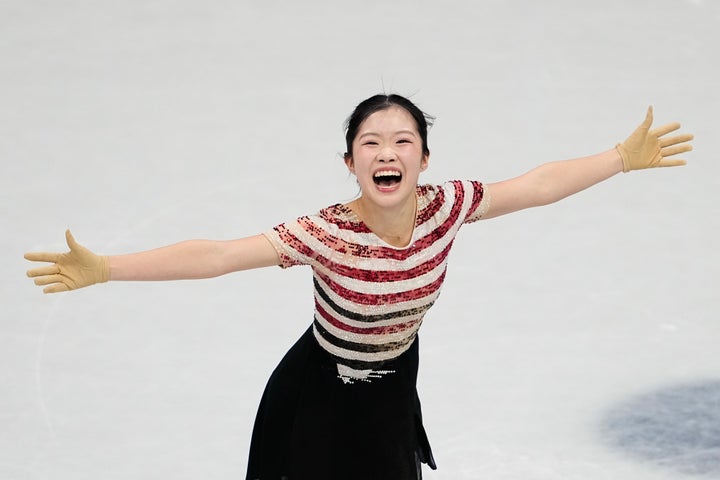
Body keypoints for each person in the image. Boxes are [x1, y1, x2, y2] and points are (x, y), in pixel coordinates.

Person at [24, 94, 693, 480]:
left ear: (423, 159)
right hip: (324, 389)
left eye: (403, 140)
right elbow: (221, 254)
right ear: (351, 163)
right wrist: (108, 267)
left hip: (393, 380)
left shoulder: (446, 205)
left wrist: (619, 158)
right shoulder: (325, 233)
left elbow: (535, 187)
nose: (387, 152)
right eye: (370, 142)